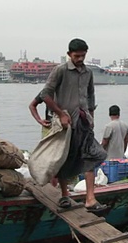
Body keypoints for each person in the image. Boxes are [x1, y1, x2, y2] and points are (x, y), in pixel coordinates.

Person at [39, 38, 107, 212]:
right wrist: (61, 114)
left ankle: (90, 199)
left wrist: (91, 117)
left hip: (84, 122)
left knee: (93, 155)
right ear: (69, 54)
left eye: (83, 56)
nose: (80, 59)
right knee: (65, 159)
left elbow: (91, 96)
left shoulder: (88, 72)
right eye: (77, 56)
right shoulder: (60, 70)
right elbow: (46, 94)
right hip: (66, 124)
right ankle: (64, 195)